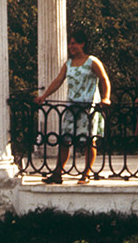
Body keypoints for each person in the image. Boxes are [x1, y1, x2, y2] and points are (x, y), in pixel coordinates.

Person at [35, 31, 111, 184]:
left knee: (90, 140)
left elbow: (104, 79)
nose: (71, 46)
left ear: (82, 44)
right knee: (65, 139)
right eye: (70, 43)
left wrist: (106, 97)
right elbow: (58, 81)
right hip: (72, 106)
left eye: (74, 43)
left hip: (89, 106)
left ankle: (86, 174)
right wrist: (44, 96)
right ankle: (58, 173)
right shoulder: (68, 64)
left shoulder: (92, 61)